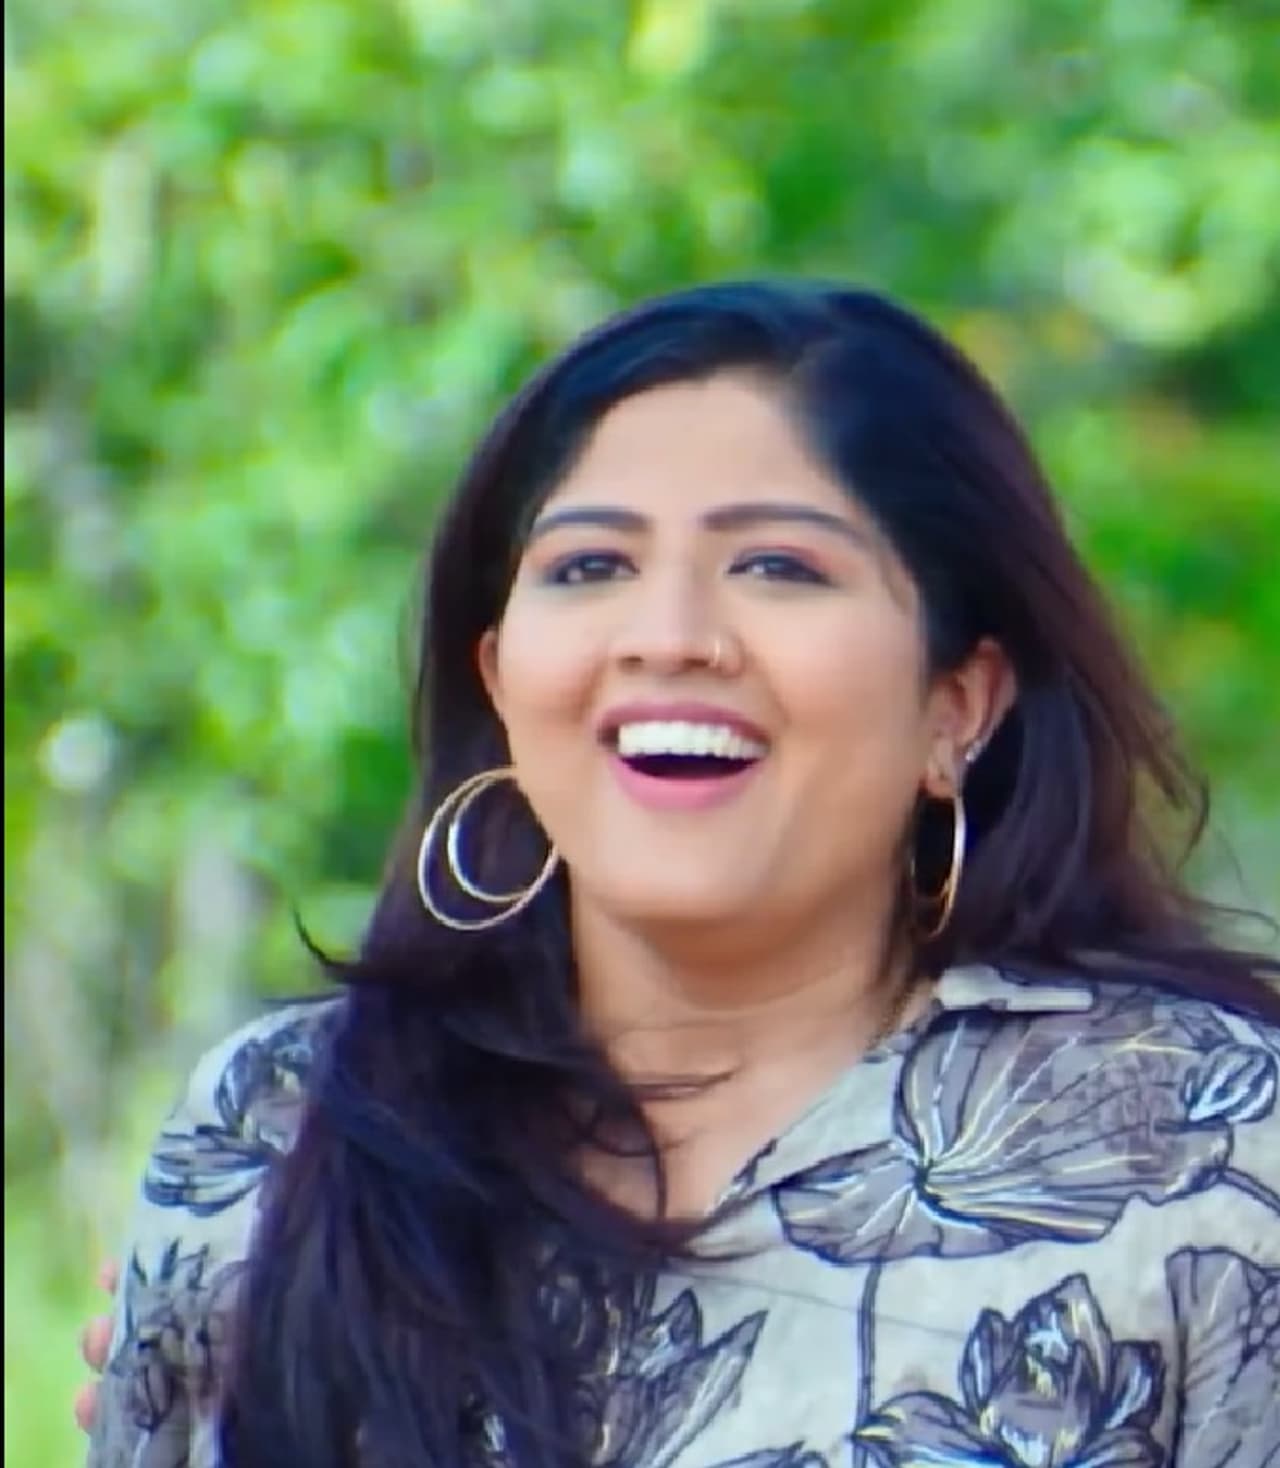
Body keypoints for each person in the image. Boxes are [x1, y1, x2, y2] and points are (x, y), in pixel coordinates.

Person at [83, 281, 1280, 1467]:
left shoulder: (1207, 1159)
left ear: (955, 702)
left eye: (776, 565)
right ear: (498, 680)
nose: (667, 636)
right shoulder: (281, 1126)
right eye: (589, 565)